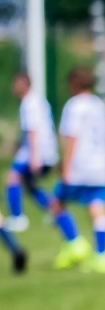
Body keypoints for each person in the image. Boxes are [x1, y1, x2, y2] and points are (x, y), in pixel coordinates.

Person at [49, 66, 105, 274]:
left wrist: (65, 166)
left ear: (74, 84)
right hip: (100, 166)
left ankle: (75, 243)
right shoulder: (99, 105)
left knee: (56, 204)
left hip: (79, 166)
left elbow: (73, 137)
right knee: (97, 209)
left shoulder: (75, 106)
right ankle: (103, 256)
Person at [6, 71, 58, 234]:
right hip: (41, 149)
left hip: (36, 151)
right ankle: (55, 211)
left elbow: (33, 130)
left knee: (12, 178)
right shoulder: (35, 100)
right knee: (28, 184)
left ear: (22, 84)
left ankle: (17, 217)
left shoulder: (30, 103)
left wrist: (34, 156)